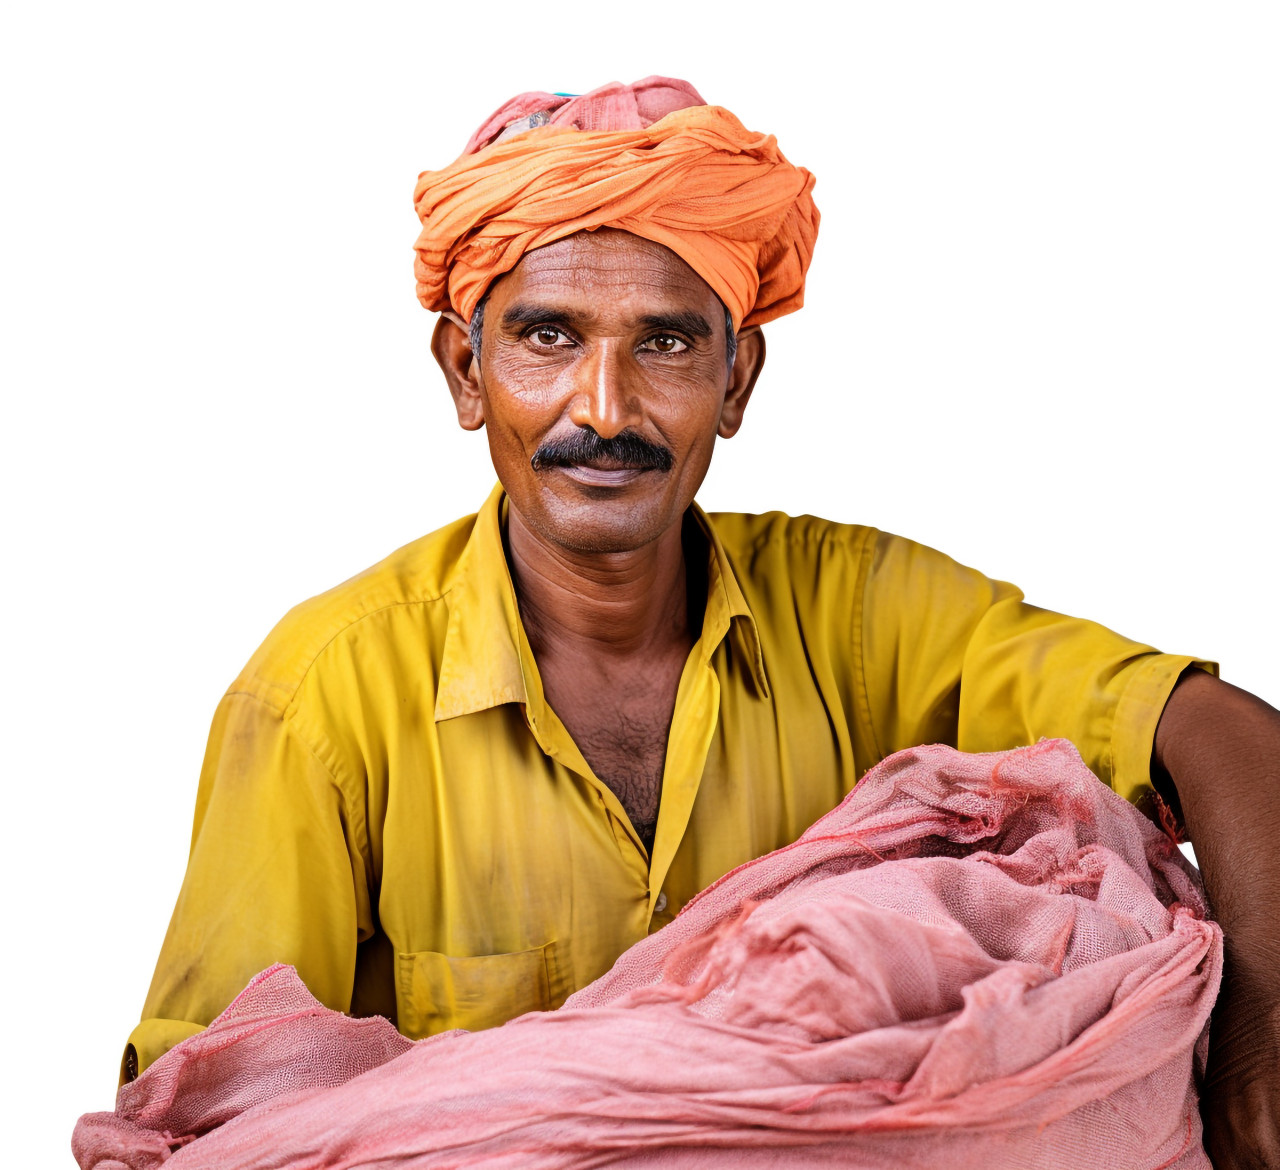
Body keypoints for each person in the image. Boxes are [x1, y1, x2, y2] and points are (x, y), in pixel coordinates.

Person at [127, 78, 1279, 1165]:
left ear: (736, 382)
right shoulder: (321, 697)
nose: (606, 408)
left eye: (666, 343)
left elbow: (1213, 730)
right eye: (547, 336)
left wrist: (1257, 1033)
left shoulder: (858, 612)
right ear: (463, 373)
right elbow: (210, 1124)